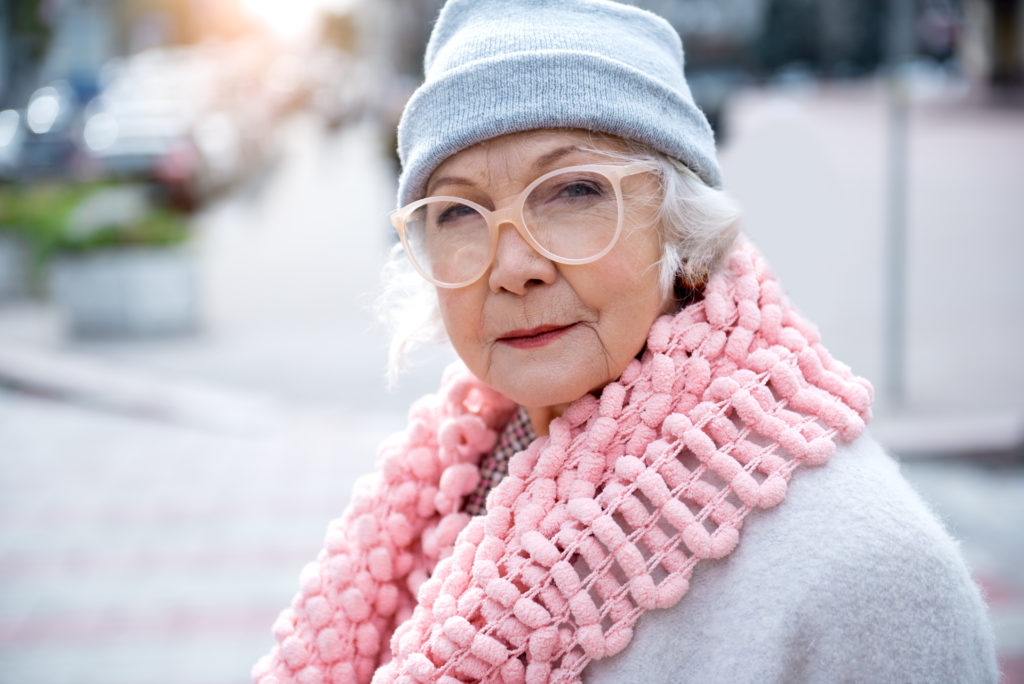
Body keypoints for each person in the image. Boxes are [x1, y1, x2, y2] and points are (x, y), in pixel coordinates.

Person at [252, 1, 998, 682]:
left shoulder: (866, 575)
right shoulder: (452, 480)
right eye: (459, 212)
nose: (513, 268)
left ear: (683, 227)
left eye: (574, 192)